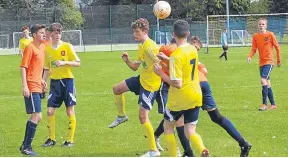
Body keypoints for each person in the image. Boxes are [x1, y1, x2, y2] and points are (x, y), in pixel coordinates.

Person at [153, 20, 209, 157]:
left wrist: (161, 73)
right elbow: (183, 69)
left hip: (179, 99)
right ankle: (202, 149)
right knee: (190, 130)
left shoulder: (176, 55)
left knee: (168, 127)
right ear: (188, 34)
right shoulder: (193, 50)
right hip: (195, 94)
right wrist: (167, 60)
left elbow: (177, 83)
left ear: (174, 34)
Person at [190, 36, 252, 157]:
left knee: (179, 120)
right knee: (216, 117)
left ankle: (188, 152)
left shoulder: (183, 51)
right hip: (203, 84)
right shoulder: (191, 55)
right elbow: (205, 70)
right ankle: (243, 143)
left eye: (197, 49)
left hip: (194, 86)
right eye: (196, 48)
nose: (196, 50)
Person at [108, 18, 161, 157]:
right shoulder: (142, 46)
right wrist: (127, 61)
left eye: (137, 31)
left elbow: (163, 65)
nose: (134, 34)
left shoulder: (151, 47)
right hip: (142, 79)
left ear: (145, 31)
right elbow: (135, 67)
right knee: (116, 89)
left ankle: (153, 150)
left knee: (143, 116)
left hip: (151, 86)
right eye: (133, 31)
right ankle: (121, 116)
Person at [154, 39, 194, 157]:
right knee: (173, 120)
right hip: (167, 86)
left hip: (176, 88)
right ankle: (183, 151)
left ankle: (155, 137)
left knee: (173, 119)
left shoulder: (182, 53)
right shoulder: (168, 50)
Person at [42, 23, 80, 147]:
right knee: (49, 111)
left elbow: (77, 63)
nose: (57, 34)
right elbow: (47, 68)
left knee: (69, 111)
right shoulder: (47, 49)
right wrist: (43, 82)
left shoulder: (67, 46)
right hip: (54, 83)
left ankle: (70, 140)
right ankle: (51, 139)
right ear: (50, 34)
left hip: (67, 81)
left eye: (59, 32)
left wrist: (65, 63)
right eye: (55, 32)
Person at [19, 24, 46, 156]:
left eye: (44, 32)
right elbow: (23, 67)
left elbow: (35, 68)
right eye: (41, 33)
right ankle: (27, 147)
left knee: (34, 116)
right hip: (31, 86)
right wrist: (24, 85)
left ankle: (24, 145)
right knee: (37, 116)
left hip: (37, 84)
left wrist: (41, 80)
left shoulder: (42, 48)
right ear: (34, 34)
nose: (44, 34)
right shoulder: (30, 47)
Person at [247, 18, 281, 111]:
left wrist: (278, 60)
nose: (261, 26)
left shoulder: (270, 34)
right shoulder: (255, 36)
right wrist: (250, 56)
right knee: (267, 83)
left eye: (263, 24)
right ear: (258, 26)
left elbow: (277, 47)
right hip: (261, 63)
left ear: (266, 26)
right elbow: (254, 49)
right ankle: (273, 104)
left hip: (269, 62)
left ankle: (264, 104)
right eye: (260, 24)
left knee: (263, 80)